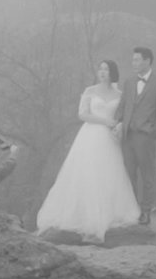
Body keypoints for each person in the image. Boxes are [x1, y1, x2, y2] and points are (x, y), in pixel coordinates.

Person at [35, 60, 140, 244]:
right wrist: (105, 122)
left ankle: (109, 214)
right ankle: (83, 216)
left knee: (109, 174)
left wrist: (119, 125)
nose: (102, 72)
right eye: (100, 69)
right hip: (90, 135)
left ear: (112, 72)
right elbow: (82, 114)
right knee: (87, 173)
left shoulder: (119, 94)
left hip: (110, 139)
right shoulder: (90, 91)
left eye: (106, 69)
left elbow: (123, 116)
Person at [119, 47, 156, 226]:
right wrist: (117, 124)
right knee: (129, 175)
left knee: (147, 175)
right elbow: (123, 105)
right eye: (133, 60)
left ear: (147, 61)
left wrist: (154, 133)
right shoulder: (129, 82)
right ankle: (133, 211)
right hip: (128, 136)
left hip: (146, 136)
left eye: (137, 60)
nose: (134, 63)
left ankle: (146, 211)